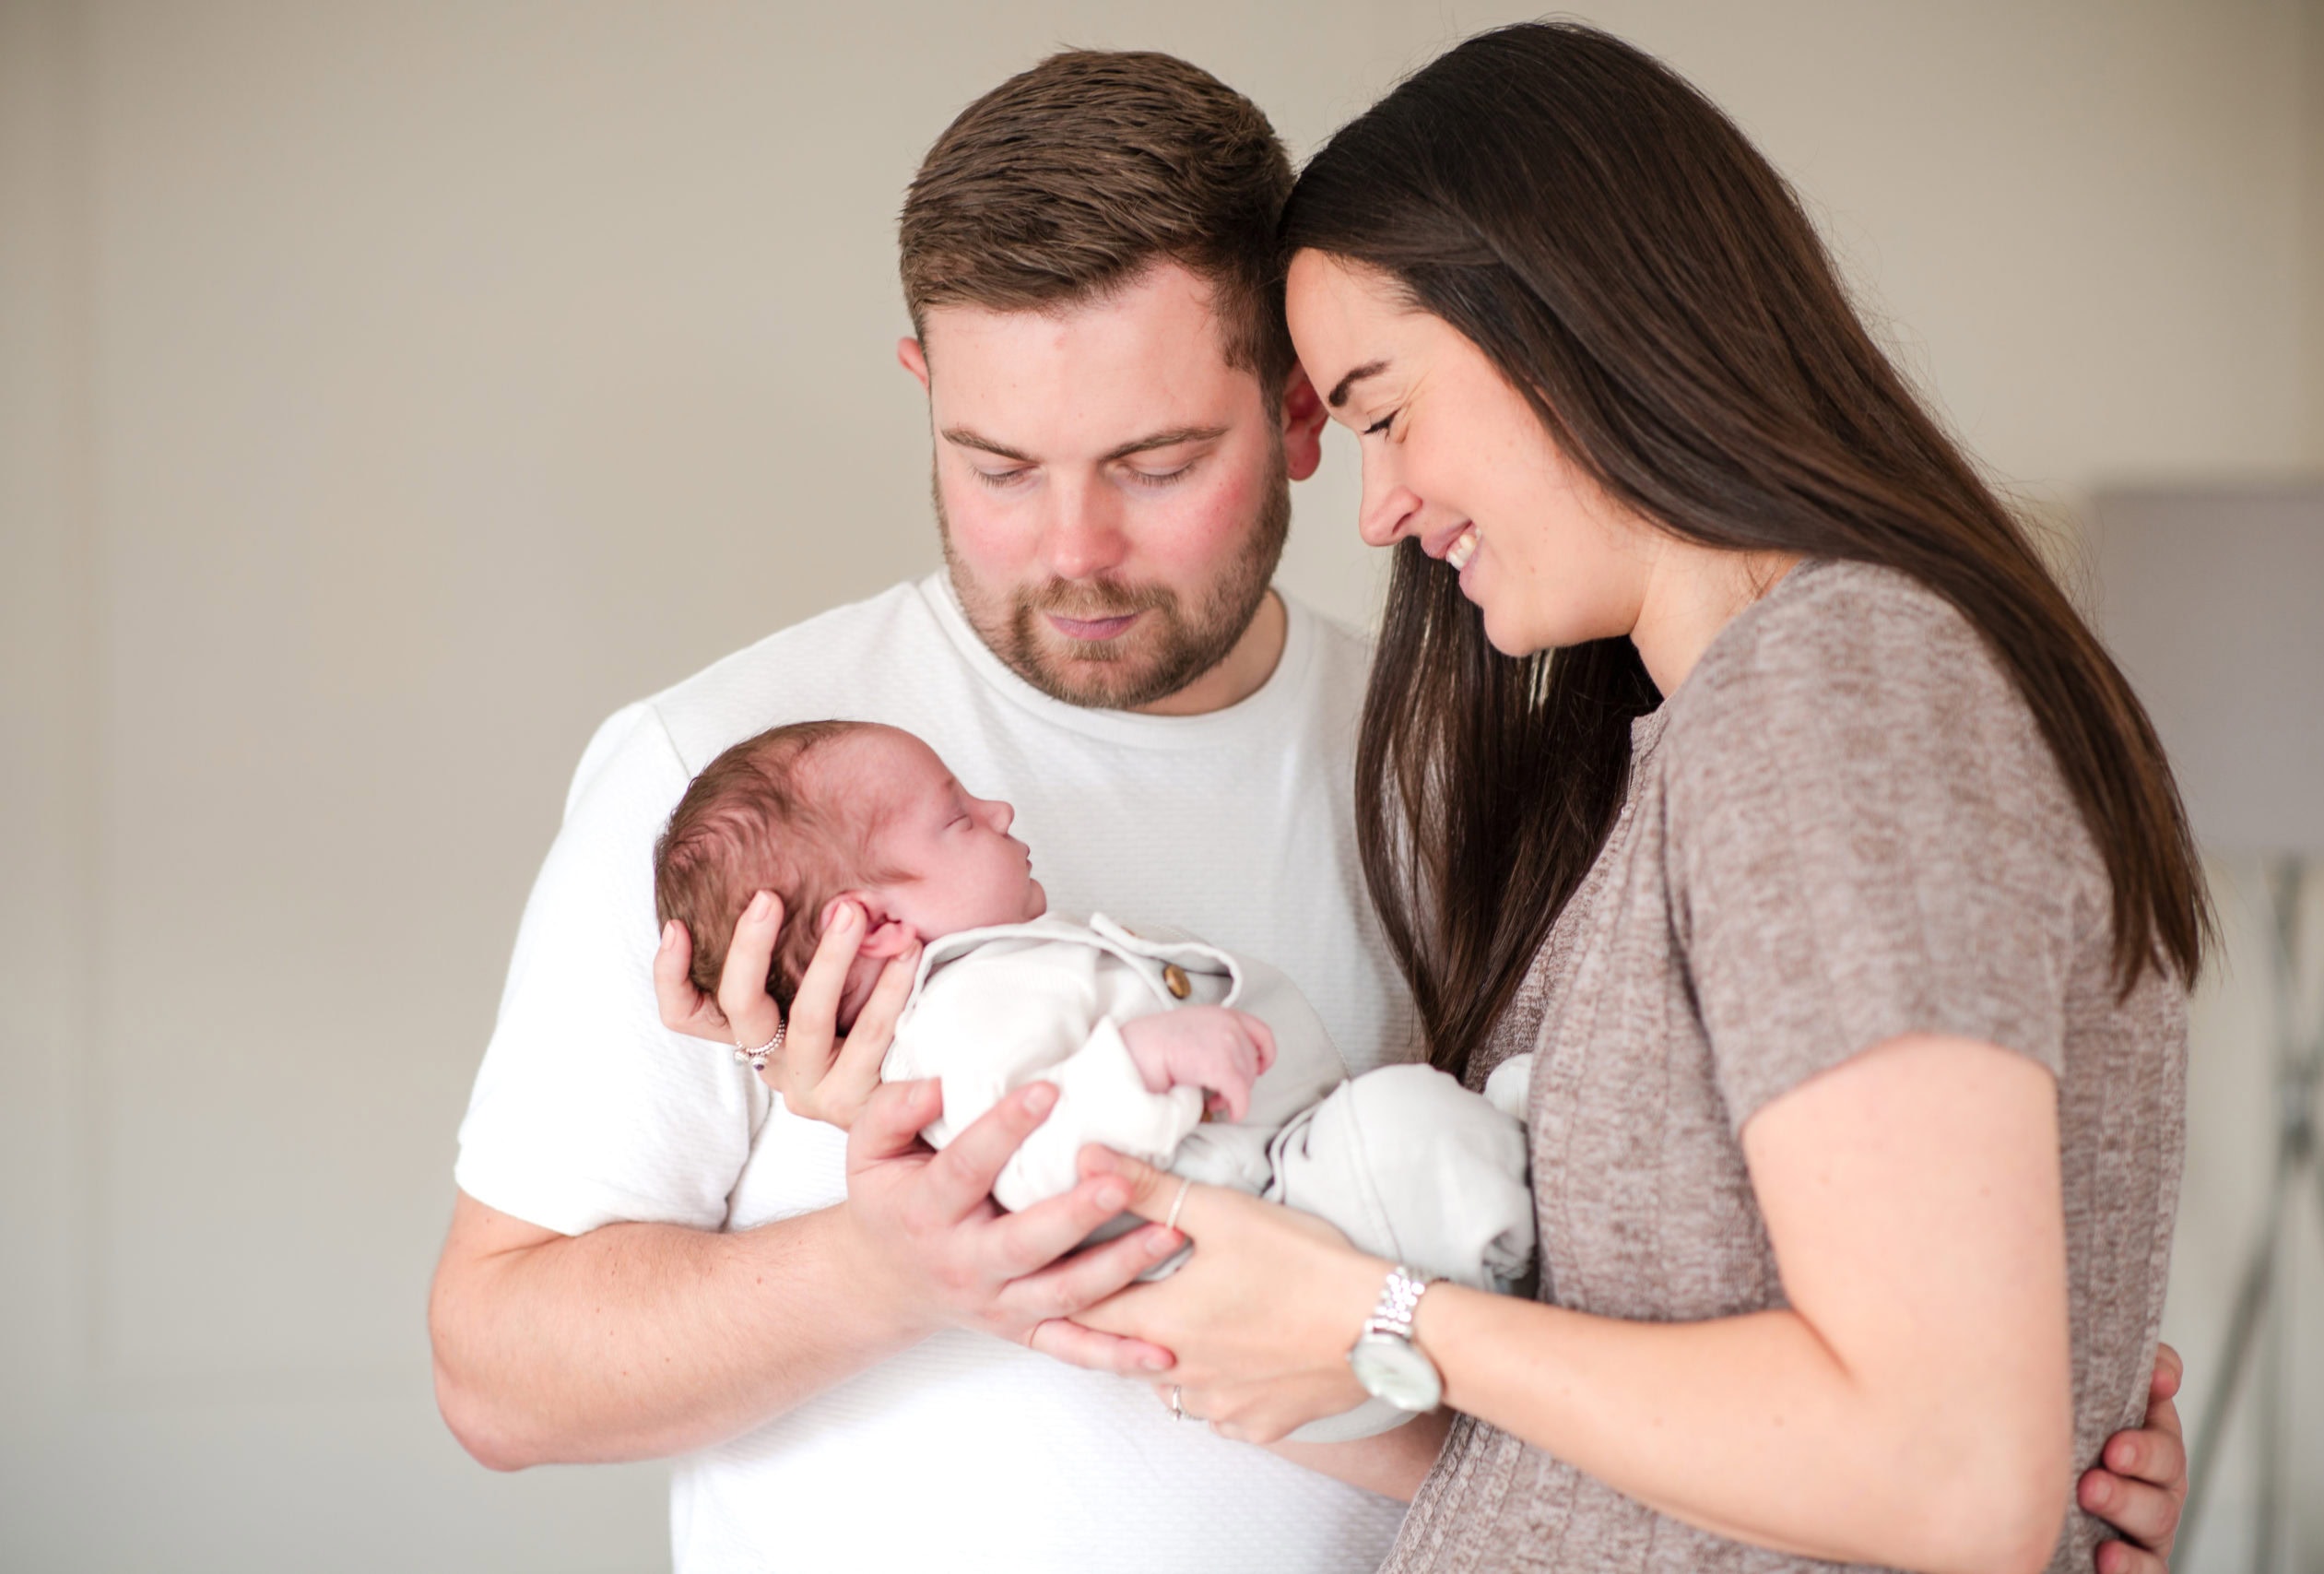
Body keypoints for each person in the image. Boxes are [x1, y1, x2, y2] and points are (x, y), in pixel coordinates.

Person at [429, 41, 2188, 1574]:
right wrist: (888, 1266)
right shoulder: (733, 785)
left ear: (1292, 414)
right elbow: (495, 1372)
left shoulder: (1474, 755)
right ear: (924, 397)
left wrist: (1994, 1479)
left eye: (1154, 463)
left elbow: (1650, 1328)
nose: (1072, 546)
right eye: (995, 465)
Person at [1054, 23, 2199, 1574]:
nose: (1383, 506)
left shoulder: (1838, 687)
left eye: (1386, 410)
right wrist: (1278, 1335)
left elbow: (1945, 1473)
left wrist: (1388, 1316)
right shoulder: (1698, 739)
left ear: (1565, 318)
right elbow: (1644, 1456)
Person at [652, 717, 1536, 1442]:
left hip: (1287, 1197)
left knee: (1409, 1125)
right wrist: (1143, 1063)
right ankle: (1515, 1216)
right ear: (877, 925)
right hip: (1262, 1233)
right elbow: (1032, 1161)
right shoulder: (958, 1014)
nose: (997, 808)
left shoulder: (989, 975)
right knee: (1399, 1125)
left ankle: (1498, 1178)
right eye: (958, 817)